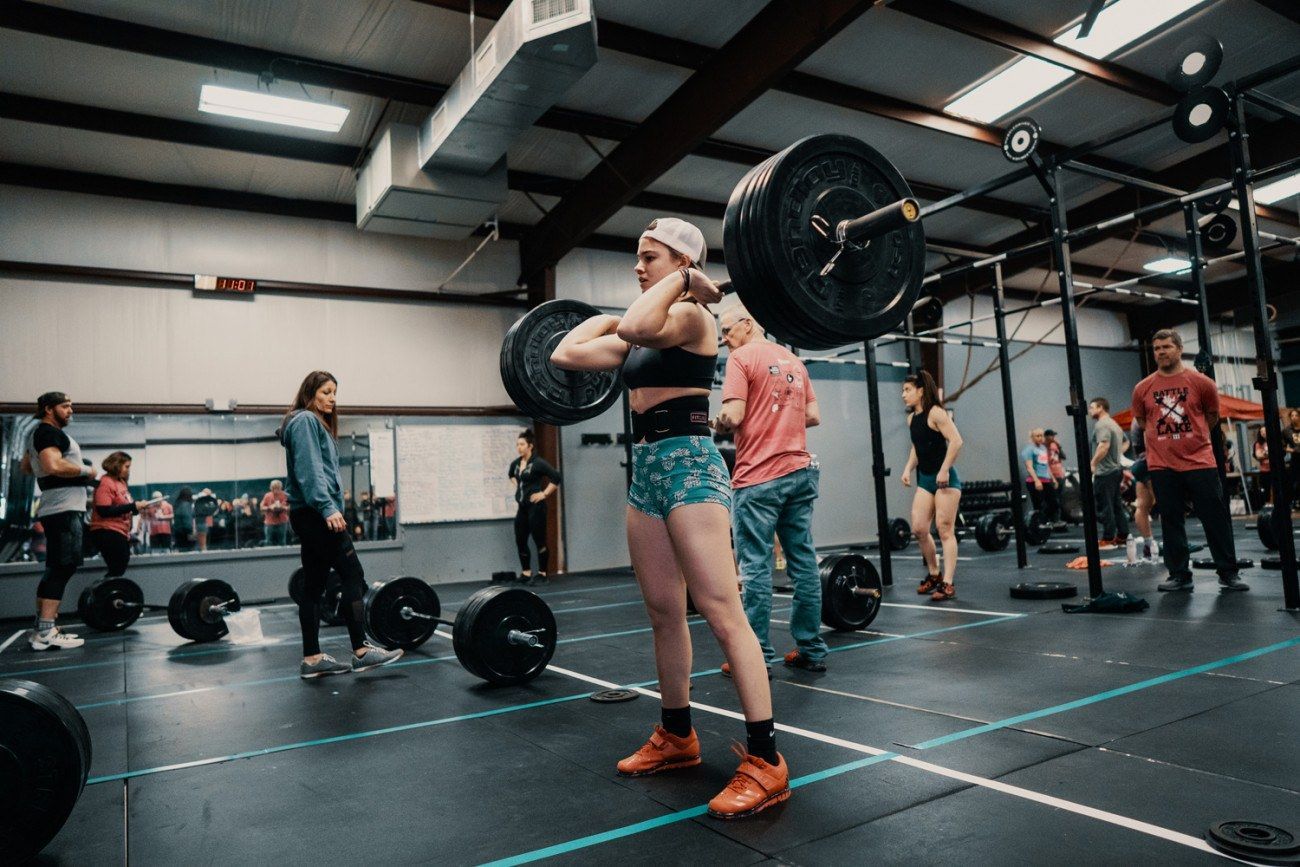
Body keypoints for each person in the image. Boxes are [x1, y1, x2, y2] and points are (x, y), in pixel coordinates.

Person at [552, 217, 788, 819]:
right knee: (663, 611)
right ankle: (678, 735)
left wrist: (681, 285)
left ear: (680, 262)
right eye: (637, 257)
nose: (637, 266)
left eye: (648, 257)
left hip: (690, 462)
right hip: (649, 470)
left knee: (720, 609)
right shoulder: (648, 329)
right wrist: (612, 315)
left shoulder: (691, 318)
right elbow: (566, 351)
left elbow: (635, 322)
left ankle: (766, 759)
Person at [714, 302, 827, 673]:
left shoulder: (741, 358)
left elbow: (733, 415)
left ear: (747, 325)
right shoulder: (794, 360)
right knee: (803, 562)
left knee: (755, 568)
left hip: (759, 476)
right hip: (800, 471)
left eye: (727, 331)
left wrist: (717, 421)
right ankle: (811, 648)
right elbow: (812, 416)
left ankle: (756, 654)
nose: (724, 340)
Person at [280, 371, 403, 678]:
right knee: (353, 575)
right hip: (317, 513)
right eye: (326, 392)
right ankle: (361, 650)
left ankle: (312, 659)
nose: (332, 398)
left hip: (308, 513)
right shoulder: (307, 421)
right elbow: (310, 470)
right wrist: (327, 508)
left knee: (314, 585)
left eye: (335, 392)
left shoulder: (304, 423)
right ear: (311, 393)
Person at [1131, 329, 1247, 592]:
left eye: (1166, 347)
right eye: (1156, 348)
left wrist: (1191, 438)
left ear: (1179, 348)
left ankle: (1228, 572)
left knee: (1215, 518)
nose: (1160, 352)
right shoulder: (1143, 388)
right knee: (1171, 520)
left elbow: (1212, 416)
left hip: (1200, 461)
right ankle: (1179, 574)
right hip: (1162, 465)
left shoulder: (1201, 382)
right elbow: (1142, 421)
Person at [19, 392, 92, 650]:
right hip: (63, 508)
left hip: (56, 506)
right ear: (49, 409)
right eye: (65, 406)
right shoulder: (48, 432)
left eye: (71, 405)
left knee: (56, 567)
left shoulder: (36, 434)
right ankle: (46, 632)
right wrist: (86, 470)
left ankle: (43, 627)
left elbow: (27, 467)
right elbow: (52, 466)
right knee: (63, 567)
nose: (71, 410)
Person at [900, 371, 964, 601]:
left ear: (920, 391)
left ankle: (947, 583)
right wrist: (908, 468)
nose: (903, 395)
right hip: (926, 478)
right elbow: (918, 447)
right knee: (919, 528)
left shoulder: (936, 413)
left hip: (946, 480)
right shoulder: (912, 419)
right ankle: (934, 574)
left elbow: (956, 441)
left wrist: (945, 469)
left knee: (945, 529)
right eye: (903, 390)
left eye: (907, 390)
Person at [508, 429, 561, 586]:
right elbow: (511, 474)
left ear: (530, 446)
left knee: (540, 541)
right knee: (520, 540)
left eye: (522, 444)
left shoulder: (538, 463)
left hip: (536, 509)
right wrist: (518, 488)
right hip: (522, 509)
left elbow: (556, 477)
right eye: (517, 444)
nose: (519, 447)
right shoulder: (516, 464)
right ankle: (526, 573)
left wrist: (543, 494)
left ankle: (543, 574)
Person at [89, 451, 151, 584]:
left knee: (119, 567)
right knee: (117, 567)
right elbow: (103, 510)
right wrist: (132, 506)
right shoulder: (105, 482)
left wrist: (136, 508)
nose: (128, 470)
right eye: (126, 467)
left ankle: (104, 589)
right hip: (106, 530)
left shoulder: (121, 483)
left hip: (120, 531)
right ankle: (101, 591)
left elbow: (126, 507)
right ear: (117, 465)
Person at [1088, 398, 1129, 549]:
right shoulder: (1114, 424)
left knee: (1105, 506)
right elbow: (1126, 442)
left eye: (1092, 407)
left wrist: (1093, 463)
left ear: (1100, 407)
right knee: (1116, 505)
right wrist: (1117, 456)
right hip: (1115, 470)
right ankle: (1123, 536)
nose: (1089, 410)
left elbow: (1104, 446)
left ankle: (1108, 538)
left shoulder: (1102, 424)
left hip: (1105, 472)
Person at [1129, 421, 1159, 562]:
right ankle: (1174, 545)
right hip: (1150, 463)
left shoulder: (1137, 418)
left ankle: (1148, 545)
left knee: (1142, 506)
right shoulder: (1146, 417)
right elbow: (1150, 443)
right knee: (1167, 506)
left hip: (1140, 464)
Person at [1020, 429, 1060, 522]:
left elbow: (1046, 466)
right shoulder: (1029, 450)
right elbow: (1029, 467)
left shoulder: (1043, 448)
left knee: (1054, 503)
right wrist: (1037, 481)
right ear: (1032, 437)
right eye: (1037, 436)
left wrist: (1053, 479)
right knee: (1039, 505)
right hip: (1034, 481)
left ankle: (1046, 522)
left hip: (1046, 480)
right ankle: (1039, 524)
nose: (1040, 438)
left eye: (1041, 435)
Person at [1044, 429, 1067, 524]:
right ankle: (1052, 520)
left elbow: (1064, 457)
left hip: (1060, 474)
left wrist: (1059, 446)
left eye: (1054, 435)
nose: (1053, 437)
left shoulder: (1055, 445)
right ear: (1046, 436)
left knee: (1060, 498)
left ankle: (1058, 519)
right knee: (1053, 499)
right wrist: (1051, 478)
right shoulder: (1043, 448)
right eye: (1051, 435)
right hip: (1051, 476)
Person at [261, 480, 290, 547]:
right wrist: (269, 507)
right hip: (270, 522)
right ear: (271, 488)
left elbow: (289, 507)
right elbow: (262, 507)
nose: (276, 491)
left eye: (278, 489)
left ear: (281, 488)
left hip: (282, 522)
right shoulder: (267, 496)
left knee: (282, 542)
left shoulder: (285, 495)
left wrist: (282, 507)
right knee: (268, 542)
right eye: (274, 489)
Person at [1253, 426, 1271, 506]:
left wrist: (1264, 454)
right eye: (1262, 431)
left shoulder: (1273, 441)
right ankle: (1267, 504)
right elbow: (1258, 456)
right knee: (1266, 488)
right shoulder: (1258, 443)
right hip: (1264, 470)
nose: (1264, 433)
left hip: (1274, 469)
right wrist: (1267, 454)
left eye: (1265, 431)